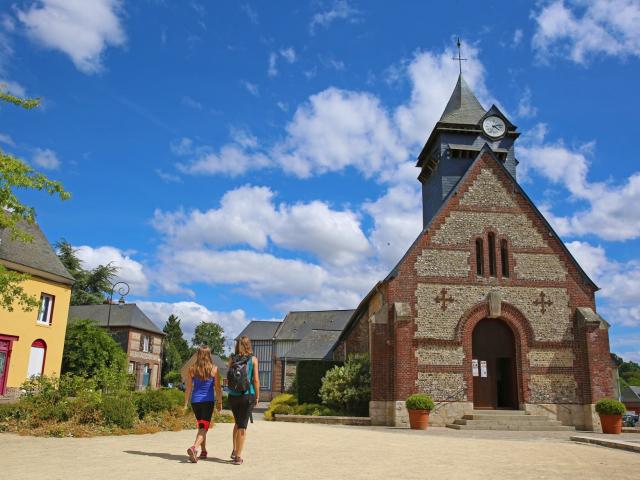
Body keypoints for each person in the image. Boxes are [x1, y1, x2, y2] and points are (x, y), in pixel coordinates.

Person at [183, 346, 222, 463]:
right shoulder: (214, 369)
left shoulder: (192, 369)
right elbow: (218, 388)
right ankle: (194, 448)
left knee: (201, 427)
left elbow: (188, 388)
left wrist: (185, 404)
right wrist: (220, 402)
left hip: (195, 402)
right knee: (204, 427)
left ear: (198, 355)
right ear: (209, 355)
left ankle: (203, 450)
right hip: (207, 402)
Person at [227, 336, 260, 466]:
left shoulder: (231, 359)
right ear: (248, 345)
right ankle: (238, 457)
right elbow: (256, 380)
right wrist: (257, 396)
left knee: (237, 422)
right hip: (247, 395)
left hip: (233, 395)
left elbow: (228, 377)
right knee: (242, 426)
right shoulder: (253, 359)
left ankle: (235, 450)